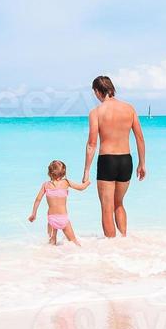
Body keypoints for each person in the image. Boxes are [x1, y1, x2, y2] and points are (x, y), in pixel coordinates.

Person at [83, 75, 146, 238]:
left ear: (98, 91)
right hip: (126, 160)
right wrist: (142, 163)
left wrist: (86, 171)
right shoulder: (129, 108)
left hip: (107, 161)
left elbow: (92, 144)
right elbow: (139, 137)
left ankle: (111, 248)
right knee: (119, 203)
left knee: (106, 207)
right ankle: (123, 241)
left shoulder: (96, 112)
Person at [28, 160, 89, 246]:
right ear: (64, 173)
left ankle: (50, 258)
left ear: (49, 173)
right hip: (63, 218)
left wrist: (33, 214)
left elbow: (38, 199)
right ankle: (83, 256)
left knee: (51, 244)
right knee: (74, 242)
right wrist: (87, 183)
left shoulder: (46, 185)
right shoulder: (66, 182)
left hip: (51, 218)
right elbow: (81, 188)